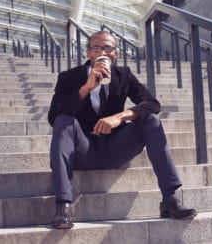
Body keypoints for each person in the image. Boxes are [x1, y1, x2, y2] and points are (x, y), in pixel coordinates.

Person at [48, 31, 197, 229]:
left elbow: (152, 103)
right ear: (88, 53)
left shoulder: (124, 75)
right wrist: (85, 89)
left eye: (108, 48)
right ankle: (64, 205)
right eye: (96, 48)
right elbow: (53, 116)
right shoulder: (69, 78)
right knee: (64, 120)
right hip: (84, 151)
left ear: (115, 53)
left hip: (115, 149)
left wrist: (120, 117)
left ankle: (170, 199)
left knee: (151, 120)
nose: (102, 52)